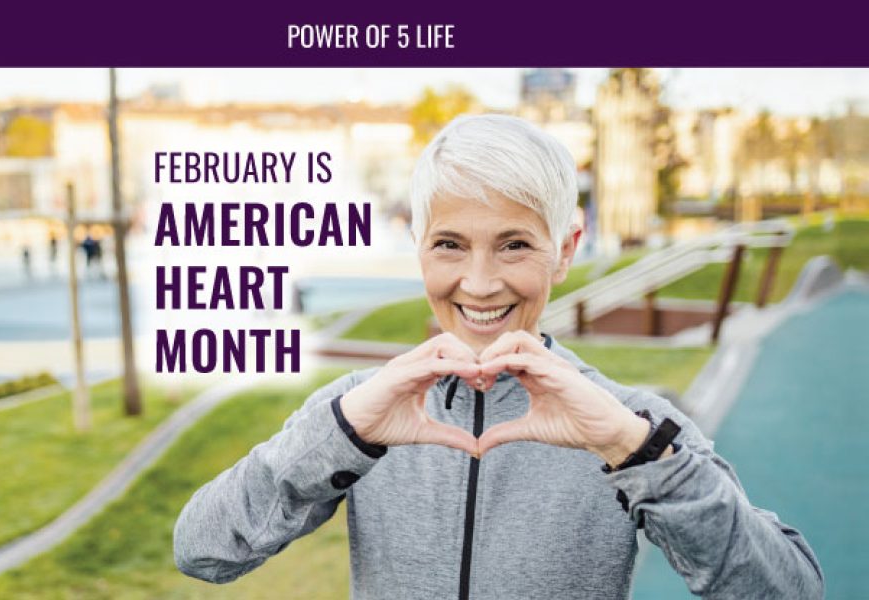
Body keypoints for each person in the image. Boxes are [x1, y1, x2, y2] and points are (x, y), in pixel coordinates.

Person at [173, 115, 824, 599]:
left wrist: (636, 452)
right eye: (450, 245)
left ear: (566, 250)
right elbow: (201, 551)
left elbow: (789, 590)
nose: (480, 284)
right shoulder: (359, 410)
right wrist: (336, 438)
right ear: (418, 245)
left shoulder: (630, 422)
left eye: (514, 246)